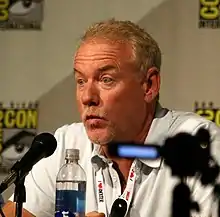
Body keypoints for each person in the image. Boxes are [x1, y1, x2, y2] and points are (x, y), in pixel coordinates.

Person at [3, 18, 220, 217]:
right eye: (80, 81)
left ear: (149, 86)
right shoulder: (66, 145)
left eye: (106, 79)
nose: (88, 97)